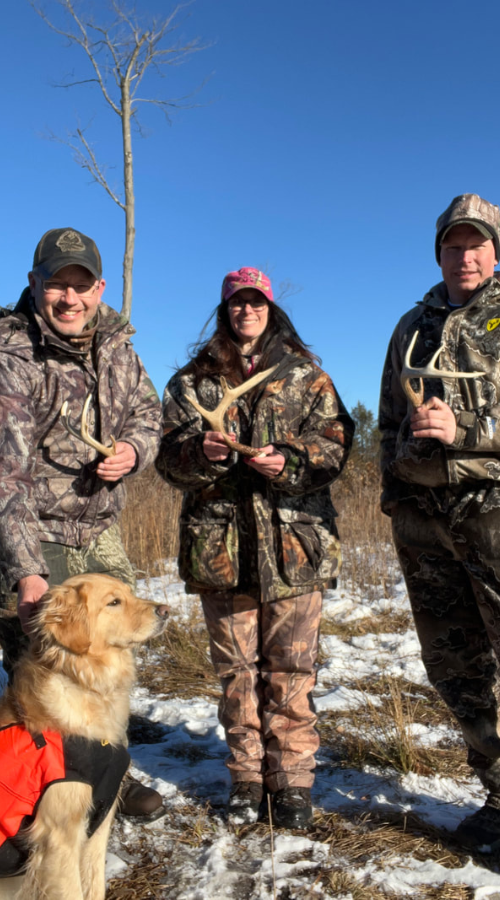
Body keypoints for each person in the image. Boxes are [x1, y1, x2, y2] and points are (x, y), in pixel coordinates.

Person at [156, 267, 354, 828]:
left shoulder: (307, 376)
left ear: (271, 307)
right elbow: (166, 457)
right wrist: (203, 454)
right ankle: (246, 776)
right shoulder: (192, 383)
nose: (247, 310)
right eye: (237, 303)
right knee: (237, 670)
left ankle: (292, 782)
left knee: (292, 669)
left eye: (256, 301)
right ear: (224, 310)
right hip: (221, 549)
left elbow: (336, 443)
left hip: (295, 546)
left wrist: (291, 461)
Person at [0, 227, 163, 820]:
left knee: (109, 664)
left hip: (99, 531)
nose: (69, 299)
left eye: (81, 285)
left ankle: (106, 777)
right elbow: (5, 475)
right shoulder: (10, 355)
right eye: (56, 284)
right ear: (34, 285)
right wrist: (27, 572)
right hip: (31, 528)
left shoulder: (120, 348)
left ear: (99, 288)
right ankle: (36, 803)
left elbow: (149, 416)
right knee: (42, 680)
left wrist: (133, 452)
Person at [379, 193, 500, 851]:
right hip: (424, 523)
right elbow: (386, 420)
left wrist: (468, 429)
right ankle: (499, 793)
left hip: (494, 513)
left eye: (477, 243)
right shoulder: (412, 326)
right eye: (454, 245)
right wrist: (395, 497)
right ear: (439, 252)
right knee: (455, 667)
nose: (466, 256)